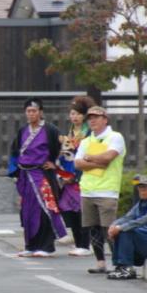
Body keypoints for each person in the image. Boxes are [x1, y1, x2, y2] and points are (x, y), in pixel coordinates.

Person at [7, 98, 66, 257]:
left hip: (42, 175)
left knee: (45, 209)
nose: (31, 114)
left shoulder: (51, 130)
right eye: (28, 111)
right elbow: (14, 152)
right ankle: (30, 245)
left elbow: (66, 150)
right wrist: (15, 172)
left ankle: (46, 246)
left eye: (34, 111)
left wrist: (56, 166)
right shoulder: (22, 131)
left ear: (40, 112)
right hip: (26, 176)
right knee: (27, 210)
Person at [74, 105, 126, 274]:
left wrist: (89, 158)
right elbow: (78, 163)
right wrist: (98, 160)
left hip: (107, 190)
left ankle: (119, 262)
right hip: (88, 189)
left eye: (96, 117)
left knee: (109, 228)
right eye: (90, 118)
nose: (93, 120)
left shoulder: (115, 137)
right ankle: (101, 263)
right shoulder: (86, 141)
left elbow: (109, 157)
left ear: (105, 119)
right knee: (93, 228)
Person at [107, 174, 147, 280]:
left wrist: (120, 228)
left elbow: (142, 221)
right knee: (120, 230)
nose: (143, 190)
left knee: (126, 230)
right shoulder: (140, 204)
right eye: (140, 187)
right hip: (145, 242)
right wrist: (113, 225)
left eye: (146, 187)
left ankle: (127, 268)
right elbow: (127, 217)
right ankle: (120, 266)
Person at [57, 96, 94, 257]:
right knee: (69, 209)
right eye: (72, 114)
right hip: (68, 176)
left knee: (82, 211)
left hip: (82, 175)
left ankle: (85, 244)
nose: (74, 117)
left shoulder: (89, 133)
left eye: (78, 114)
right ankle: (78, 242)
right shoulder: (70, 132)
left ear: (84, 116)